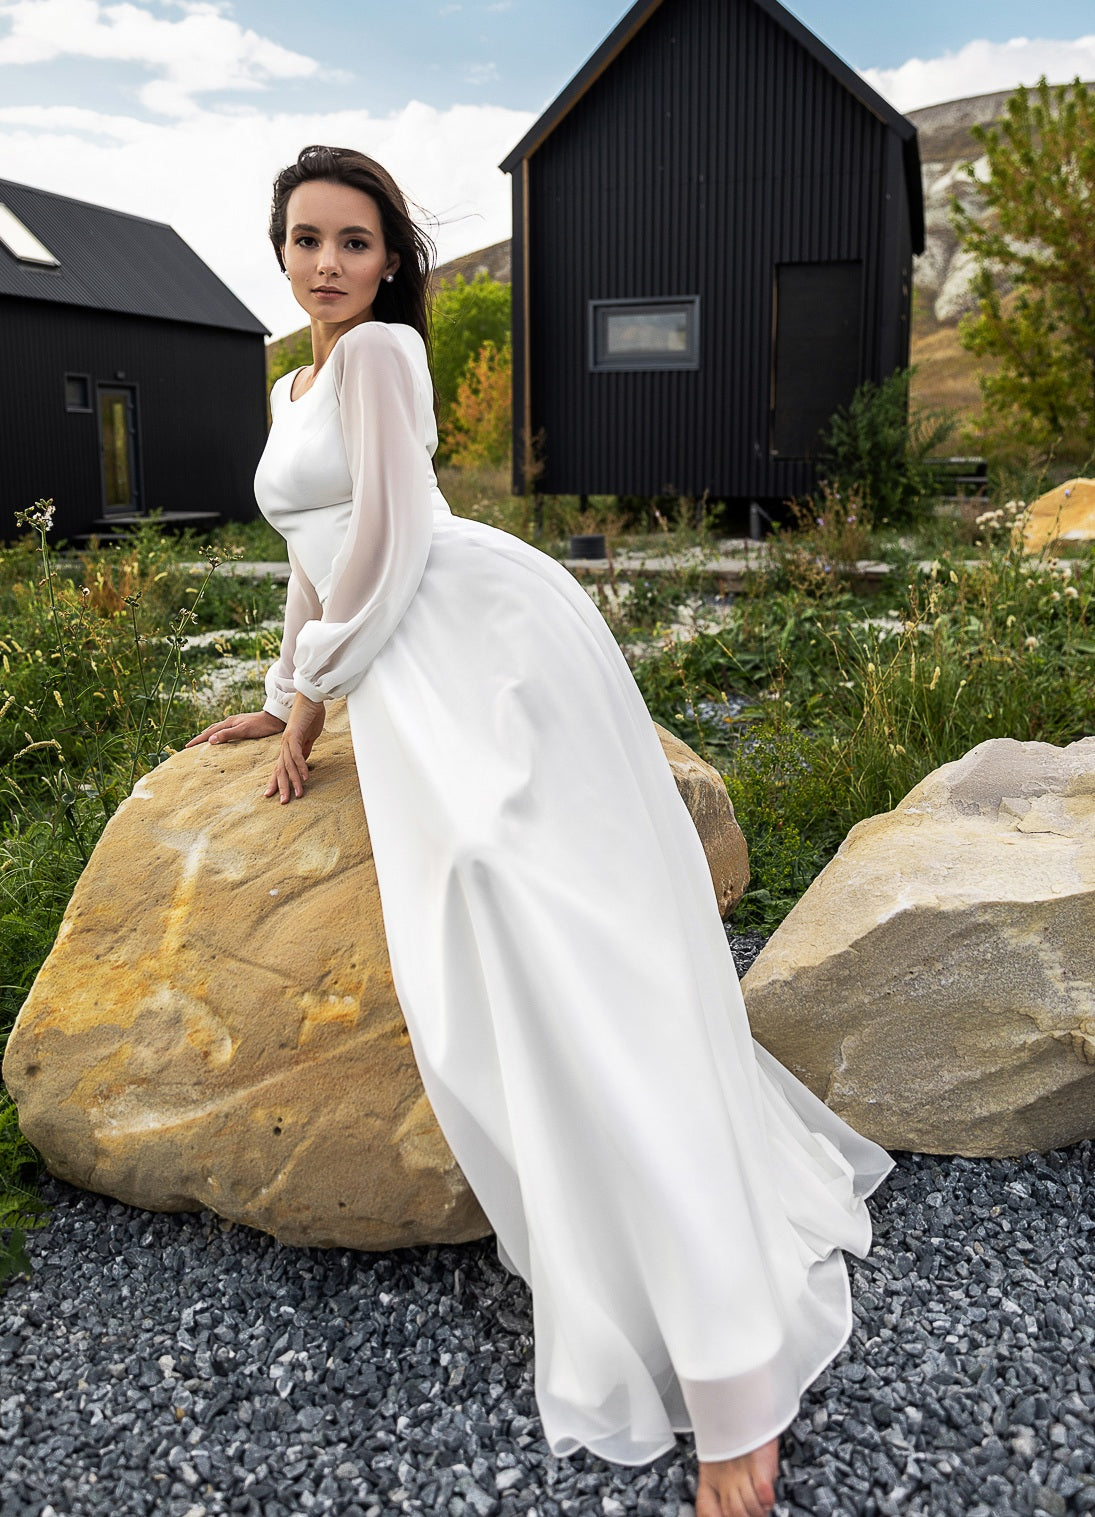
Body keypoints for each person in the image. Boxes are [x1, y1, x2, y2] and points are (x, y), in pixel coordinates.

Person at [188, 144, 893, 1517]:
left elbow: (387, 543)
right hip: (385, 673)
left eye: (354, 241)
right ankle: (616, 1244)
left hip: (470, 638)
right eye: (306, 240)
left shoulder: (386, 361)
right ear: (279, 252)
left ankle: (731, 1377)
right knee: (473, 964)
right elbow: (310, 558)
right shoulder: (291, 386)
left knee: (528, 909)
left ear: (390, 260)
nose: (327, 262)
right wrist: (290, 714)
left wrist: (326, 679)